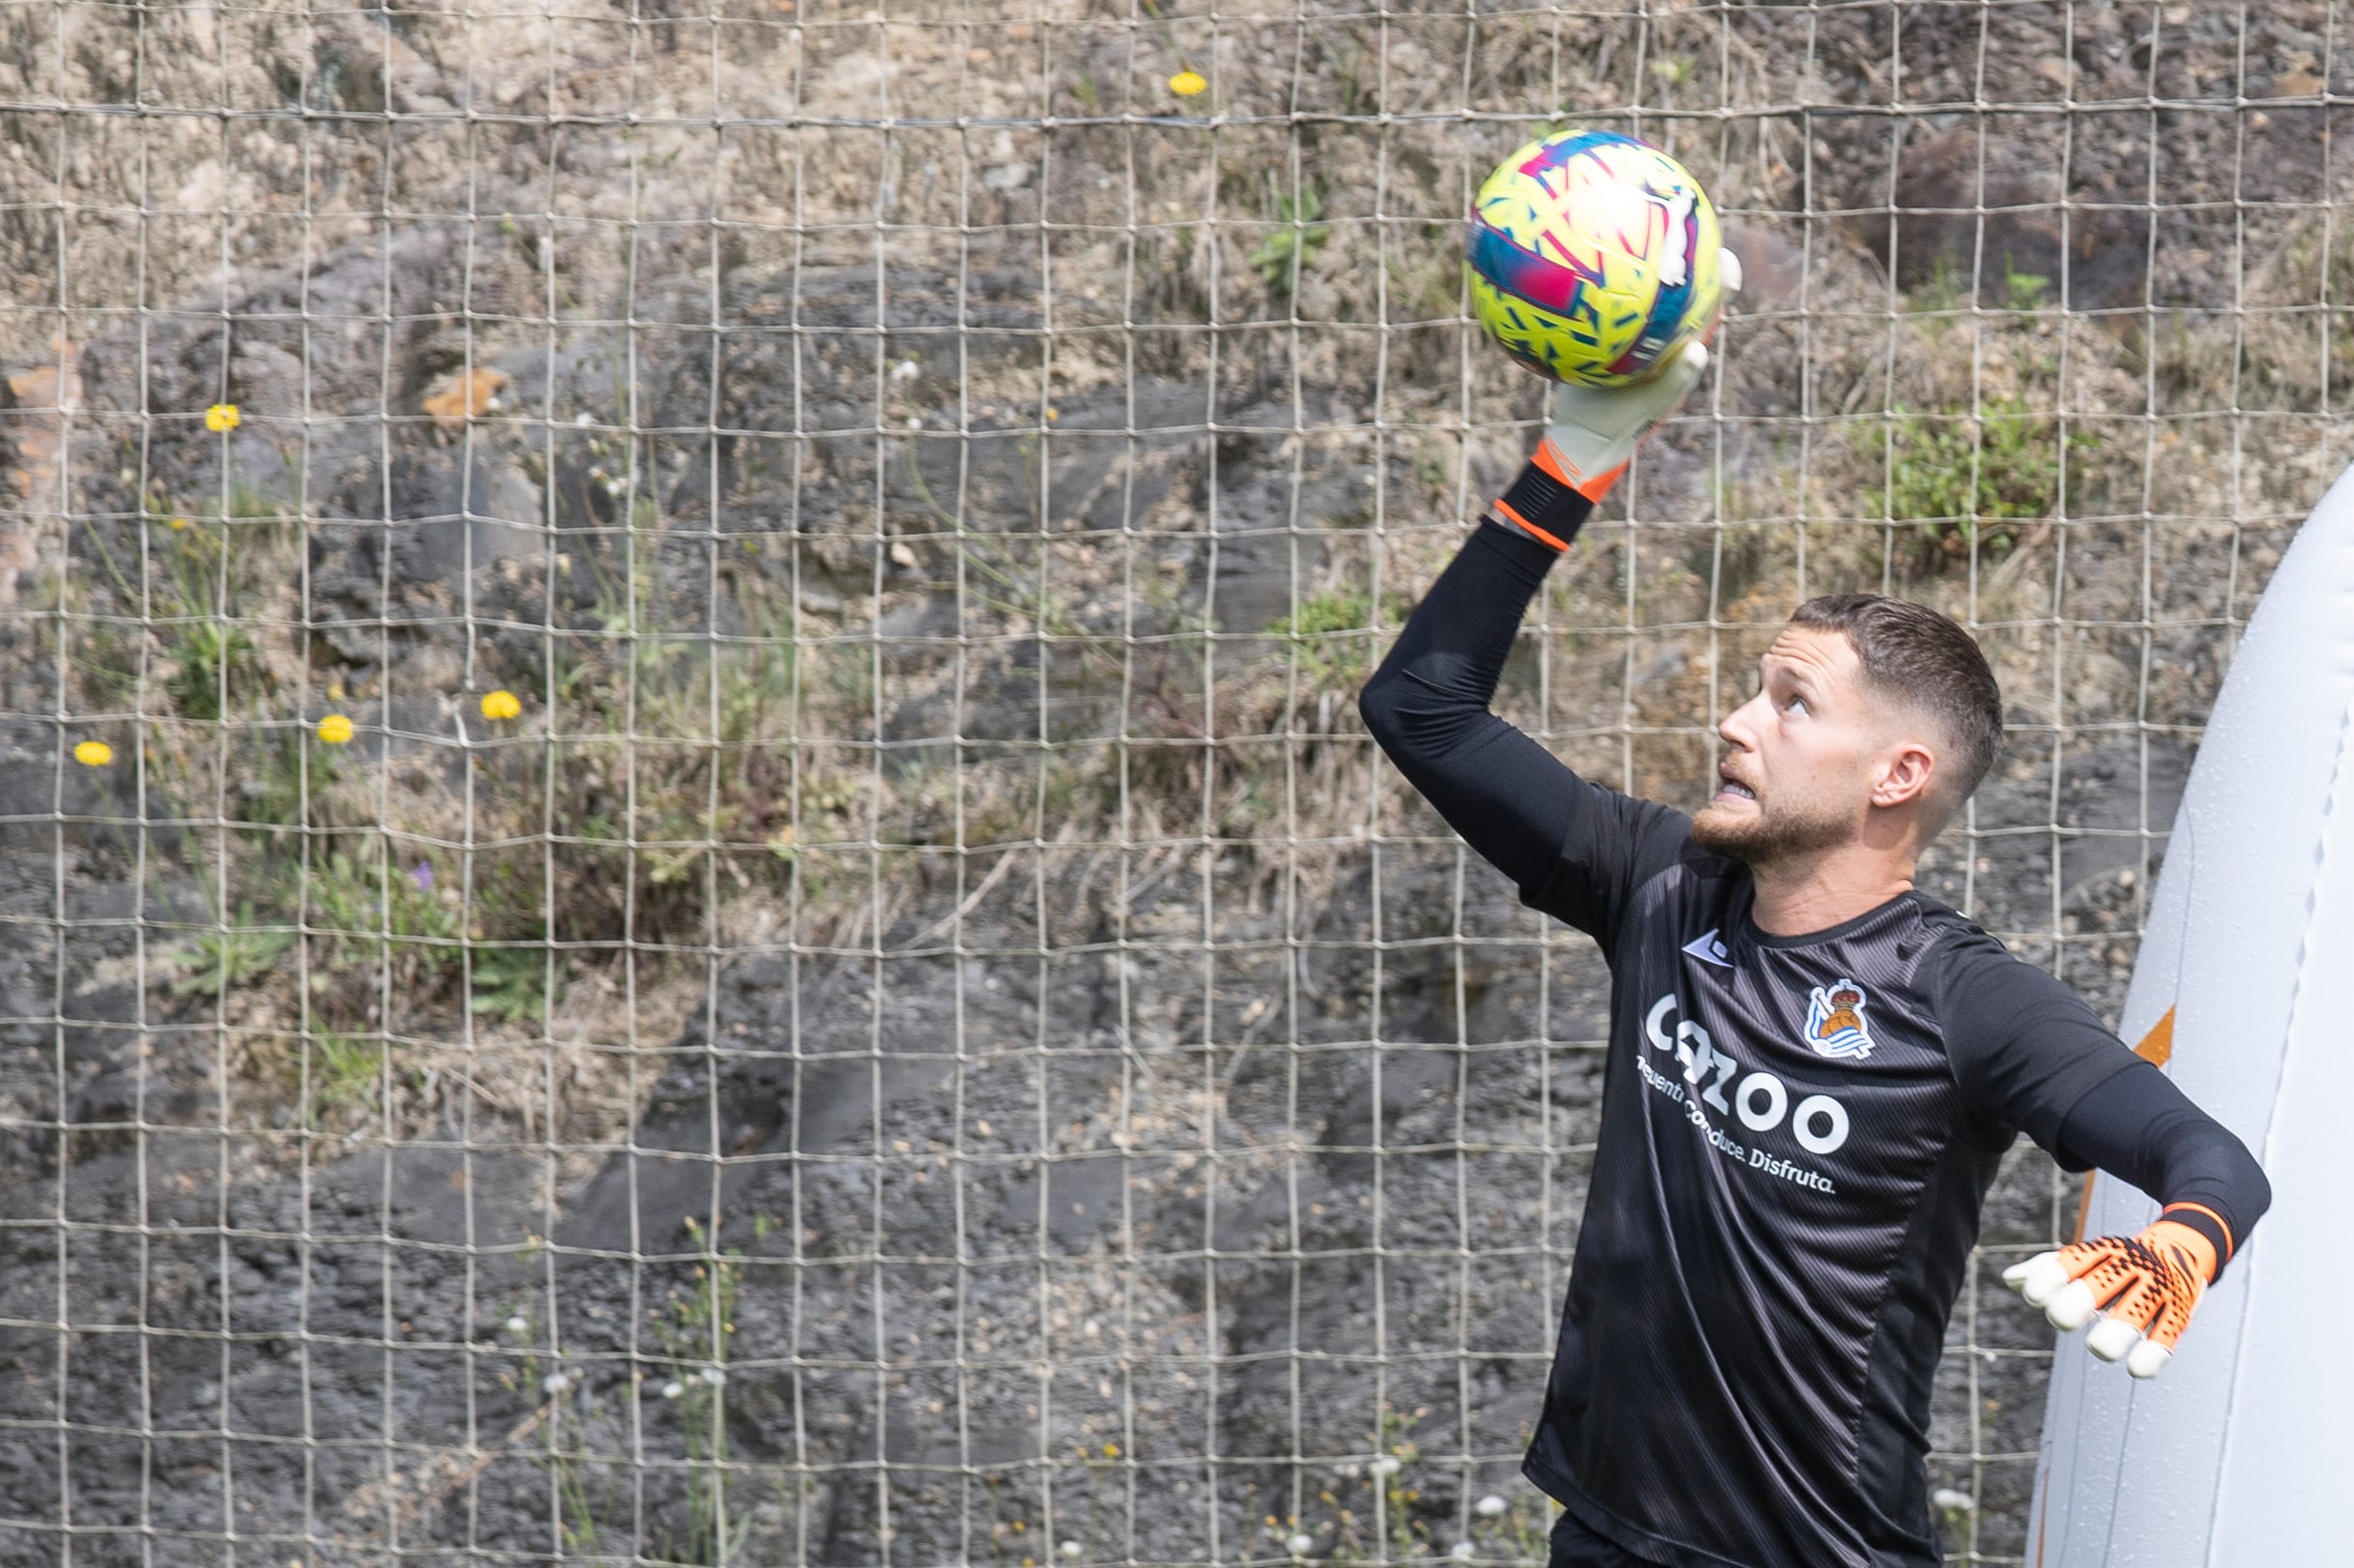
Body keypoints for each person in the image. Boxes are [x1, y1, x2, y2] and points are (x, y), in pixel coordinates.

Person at [1355, 328, 2271, 1568]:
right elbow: (1418, 707)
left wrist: (2178, 1240)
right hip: (1605, 1535)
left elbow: (2205, 1152)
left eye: (1791, 702)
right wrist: (1570, 461)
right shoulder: (1659, 883)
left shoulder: (1962, 998)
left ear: (1897, 772)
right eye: (1753, 688)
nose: (1737, 721)